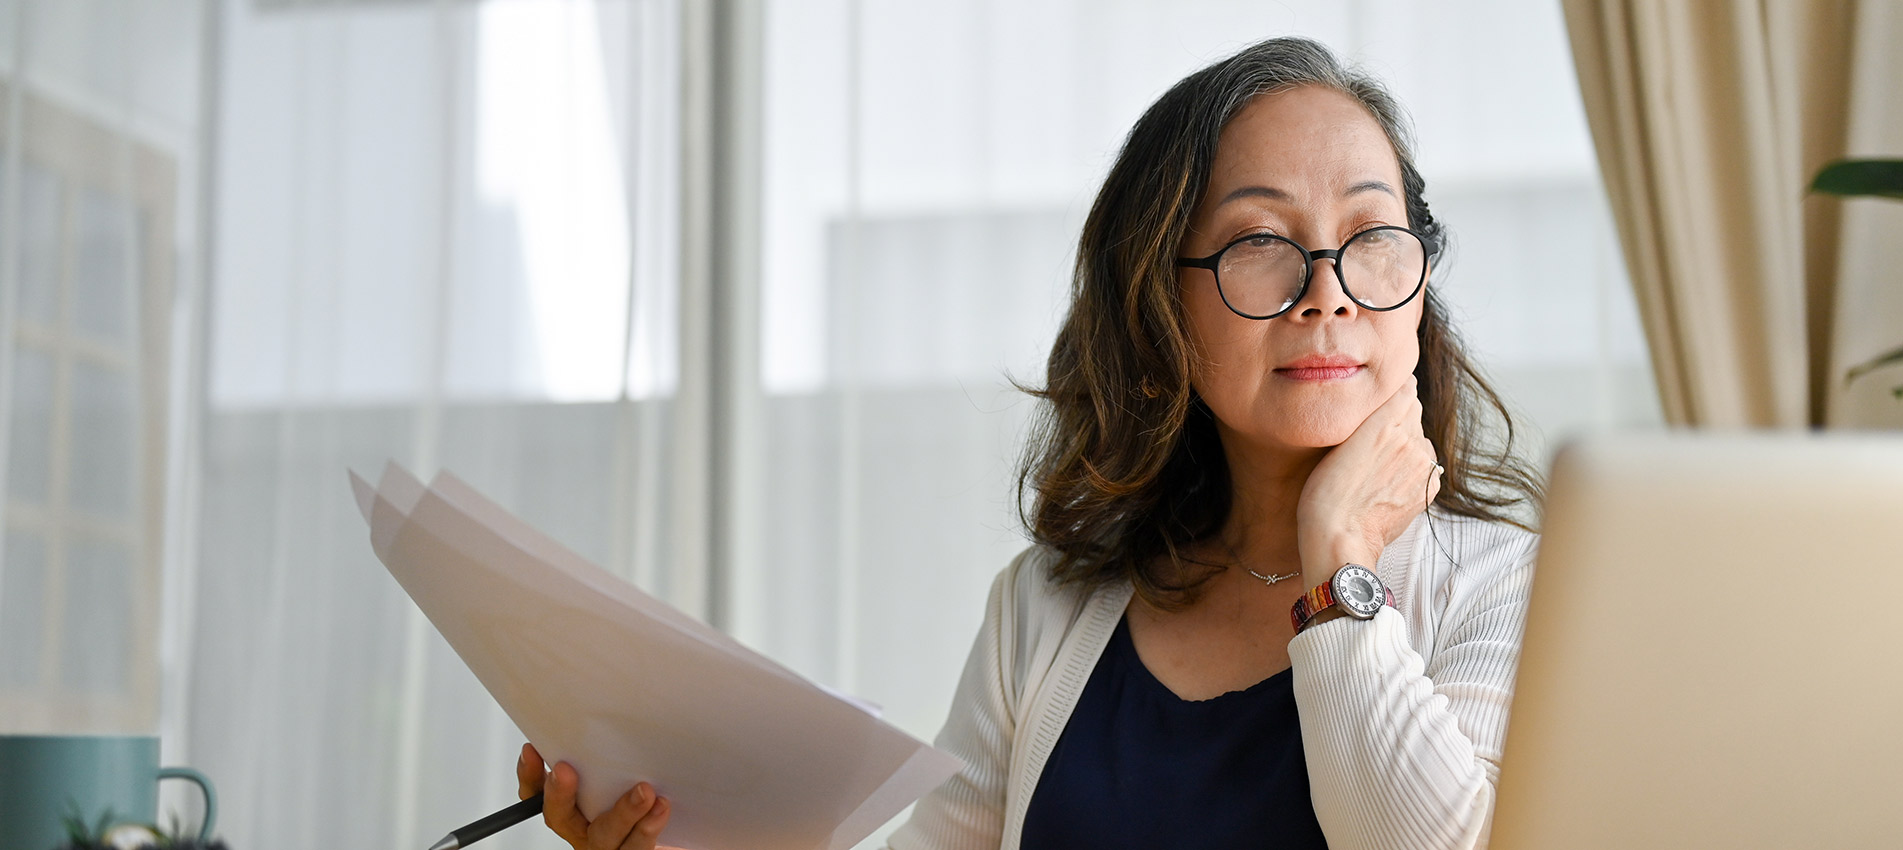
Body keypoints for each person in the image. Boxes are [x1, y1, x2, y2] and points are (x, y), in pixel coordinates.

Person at [515, 35, 1542, 850]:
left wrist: (1340, 563)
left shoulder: (1510, 587)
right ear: (1159, 308)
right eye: (1259, 245)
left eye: (1370, 235)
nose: (1326, 292)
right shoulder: (1045, 606)